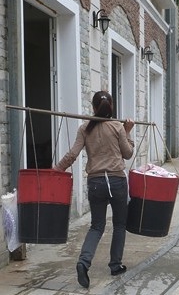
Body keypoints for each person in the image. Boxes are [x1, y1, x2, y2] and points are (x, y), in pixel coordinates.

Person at [54, 91, 135, 288]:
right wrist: (127, 131)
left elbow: (73, 153)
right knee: (119, 225)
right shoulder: (117, 127)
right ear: (112, 107)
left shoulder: (85, 128)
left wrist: (57, 169)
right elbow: (127, 153)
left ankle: (83, 263)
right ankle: (115, 265)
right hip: (117, 182)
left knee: (96, 226)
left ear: (93, 107)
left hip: (96, 183)